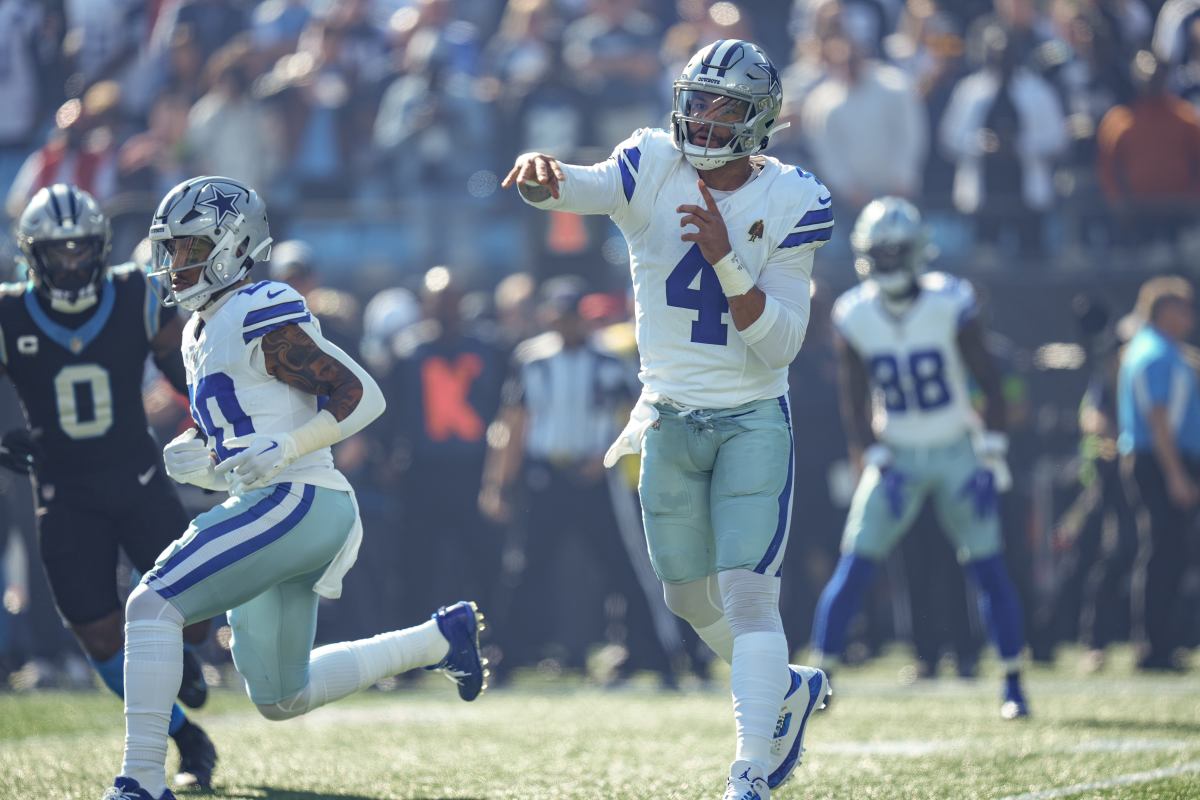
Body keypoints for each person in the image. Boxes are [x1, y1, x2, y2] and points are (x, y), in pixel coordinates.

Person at [503, 39, 830, 800]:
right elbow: (580, 186)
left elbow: (779, 340)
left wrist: (724, 256)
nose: (705, 117)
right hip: (667, 416)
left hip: (750, 416)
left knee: (749, 596)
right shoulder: (651, 162)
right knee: (685, 596)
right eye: (698, 99)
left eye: (725, 107)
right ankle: (787, 687)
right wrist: (542, 180)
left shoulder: (792, 198)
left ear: (759, 121)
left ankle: (749, 767)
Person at [102, 176, 487, 800]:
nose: (173, 263)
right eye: (168, 249)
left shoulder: (257, 307)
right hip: (277, 506)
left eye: (187, 246)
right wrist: (204, 461)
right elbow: (251, 436)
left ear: (233, 245)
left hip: (298, 500)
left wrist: (285, 447)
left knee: (151, 606)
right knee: (282, 696)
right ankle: (441, 638)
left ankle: (140, 780)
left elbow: (362, 394)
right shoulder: (202, 329)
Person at [0, 184, 216, 788]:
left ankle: (186, 662)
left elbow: (188, 369)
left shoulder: (136, 293)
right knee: (97, 634)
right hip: (64, 492)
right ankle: (183, 734)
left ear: (98, 249)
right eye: (57, 251)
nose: (70, 262)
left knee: (194, 617)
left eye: (80, 250)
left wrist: (214, 423)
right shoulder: (9, 311)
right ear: (33, 254)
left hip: (138, 478)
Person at [808, 197, 1030, 720]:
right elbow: (854, 398)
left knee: (989, 567)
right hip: (899, 454)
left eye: (895, 251)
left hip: (956, 449)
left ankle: (1014, 683)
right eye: (879, 252)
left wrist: (992, 452)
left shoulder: (950, 300)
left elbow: (991, 382)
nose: (886, 261)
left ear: (916, 251)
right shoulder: (855, 313)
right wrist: (877, 455)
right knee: (854, 564)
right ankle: (821, 678)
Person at [1117, 276, 1200, 672]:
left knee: (1172, 550)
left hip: (1163, 460)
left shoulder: (1167, 351)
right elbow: (1158, 419)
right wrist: (1176, 475)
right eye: (1183, 308)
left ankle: (1163, 641)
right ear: (1164, 311)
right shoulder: (1153, 354)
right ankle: (1154, 645)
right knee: (1163, 550)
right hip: (1158, 461)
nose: (1190, 316)